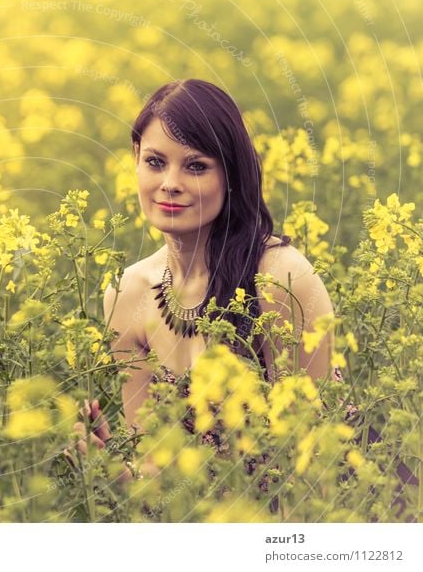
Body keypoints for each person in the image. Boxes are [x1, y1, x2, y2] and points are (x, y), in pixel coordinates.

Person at [70, 78, 336, 476]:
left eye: (196, 166)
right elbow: (156, 478)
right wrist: (111, 472)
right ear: (136, 160)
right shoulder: (126, 295)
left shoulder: (281, 279)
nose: (171, 184)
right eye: (155, 162)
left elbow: (315, 461)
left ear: (231, 176)